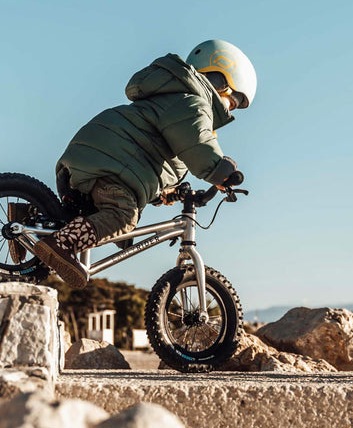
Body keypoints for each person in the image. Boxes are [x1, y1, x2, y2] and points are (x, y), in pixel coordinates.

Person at [29, 39, 256, 289]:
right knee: (122, 216)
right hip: (111, 163)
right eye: (232, 101)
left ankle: (26, 221)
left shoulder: (173, 96)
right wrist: (221, 171)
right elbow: (198, 145)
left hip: (96, 156)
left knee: (86, 214)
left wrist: (163, 193)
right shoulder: (193, 103)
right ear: (220, 81)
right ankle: (63, 244)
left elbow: (155, 156)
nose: (230, 110)